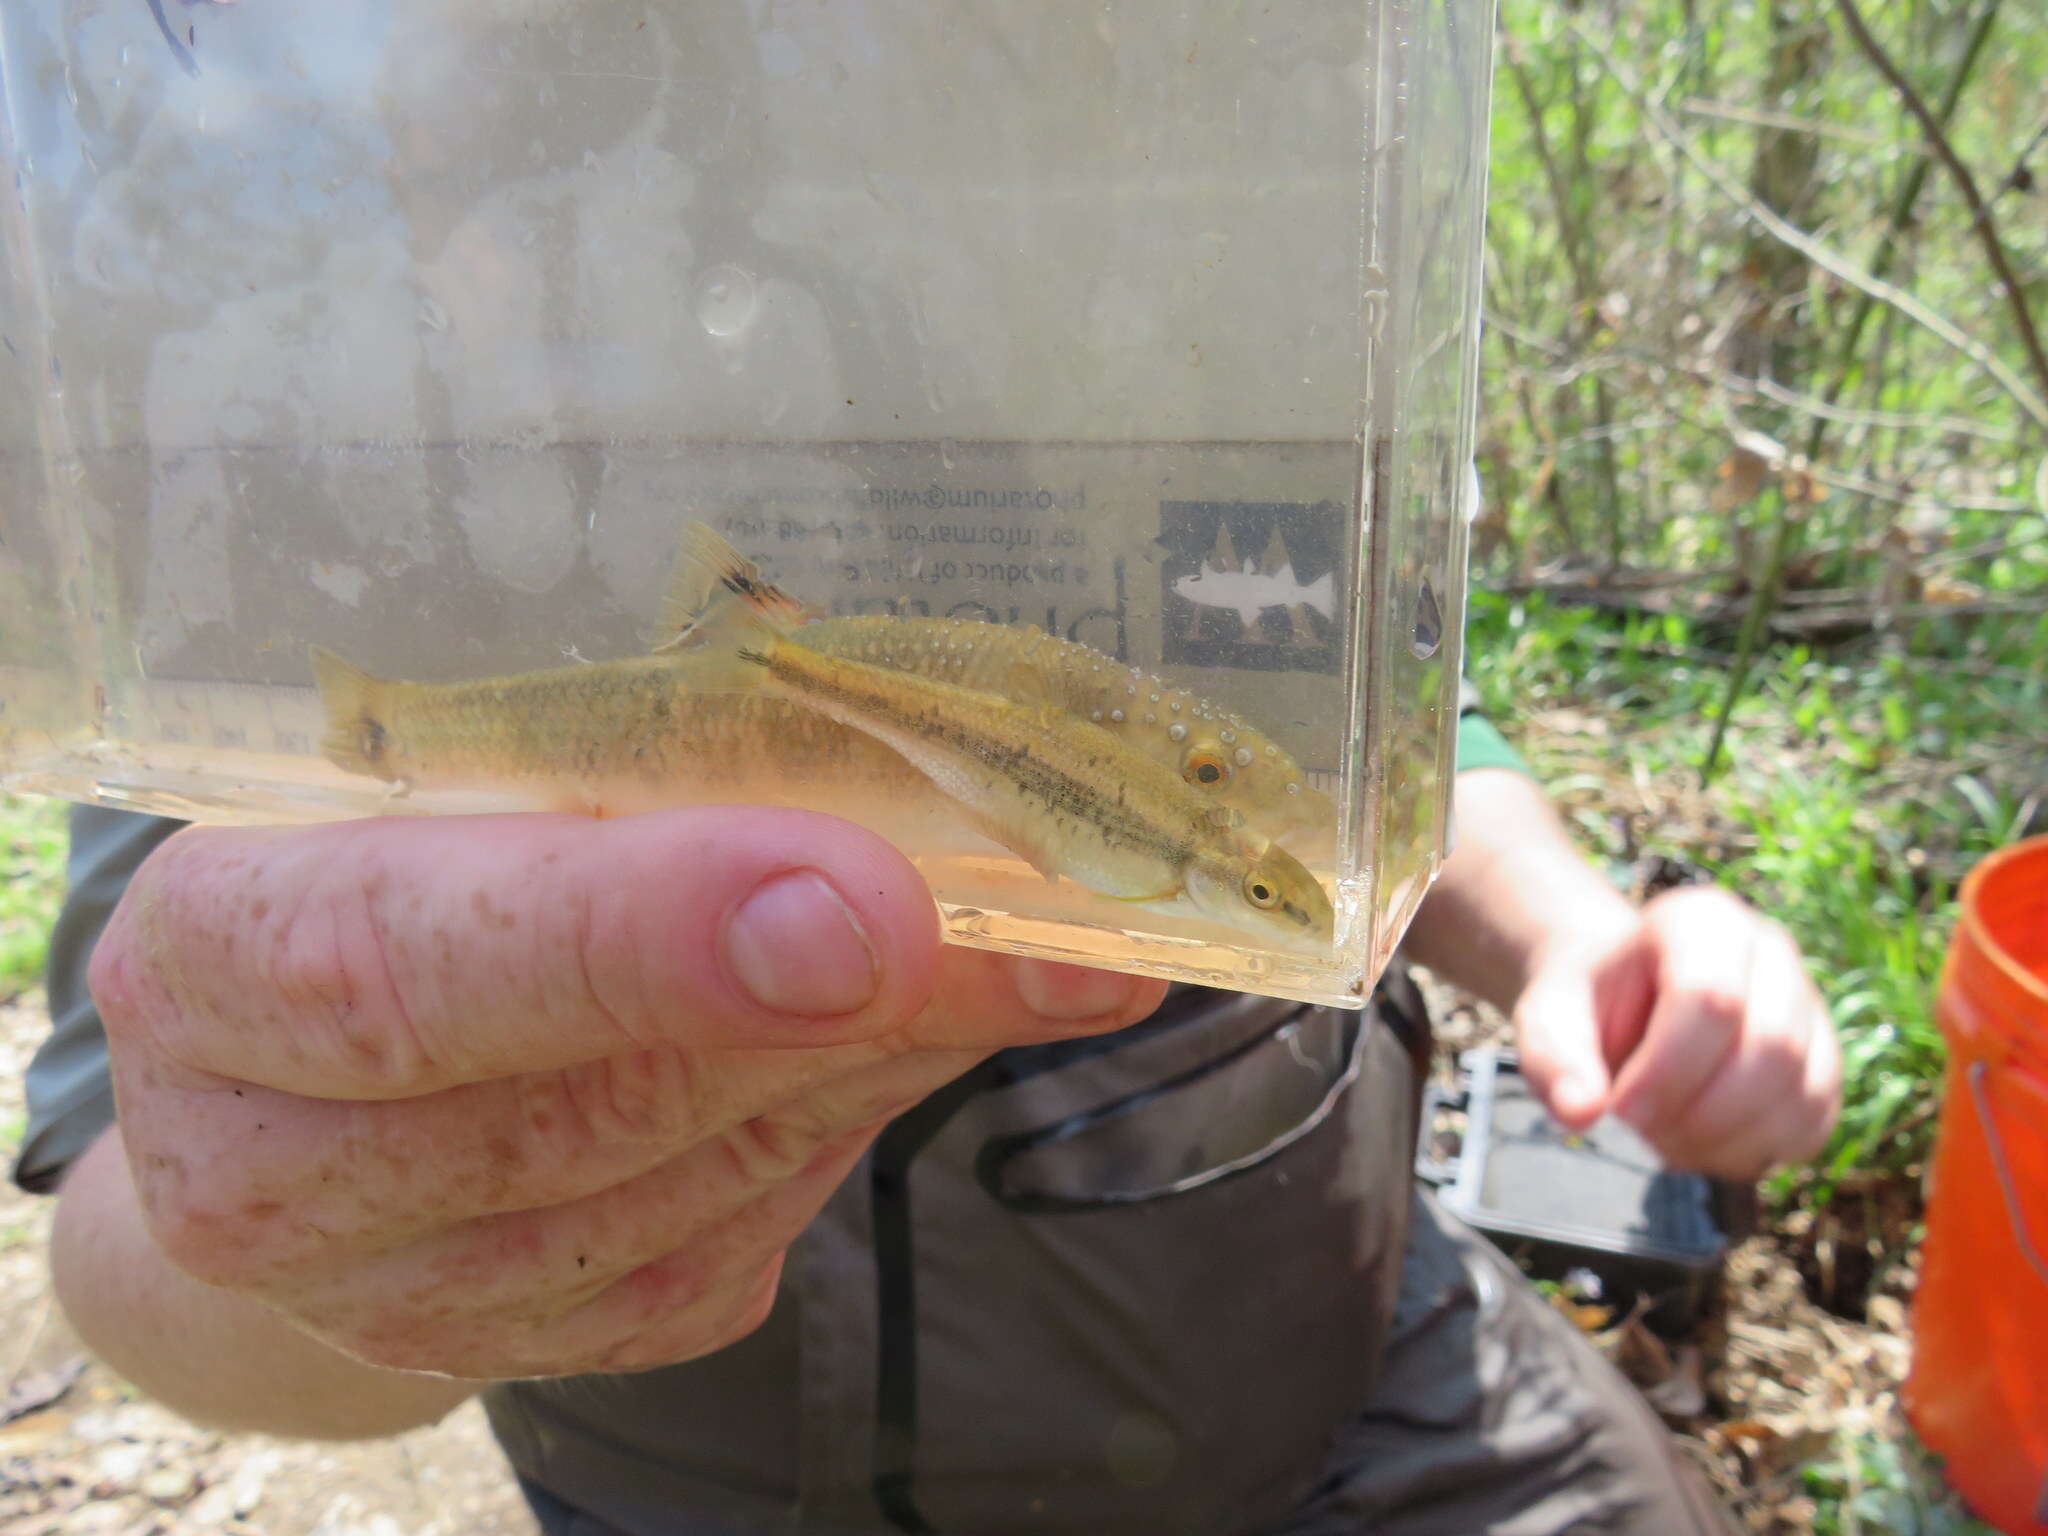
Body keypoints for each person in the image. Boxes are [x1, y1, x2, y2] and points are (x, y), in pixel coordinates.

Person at [17, 699, 1838, 1536]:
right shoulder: (307, 492)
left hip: (1353, 1381)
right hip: (713, 1491)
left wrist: (1578, 935)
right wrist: (361, 1240)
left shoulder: (1172, 250)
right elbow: (121, 1201)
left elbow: (1392, 722)